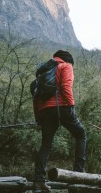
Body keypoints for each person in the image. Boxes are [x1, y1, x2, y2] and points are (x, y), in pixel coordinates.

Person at [33, 50, 87, 183]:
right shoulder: (65, 66)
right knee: (81, 135)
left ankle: (38, 178)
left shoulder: (43, 71)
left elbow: (35, 97)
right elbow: (66, 87)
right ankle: (78, 173)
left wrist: (38, 116)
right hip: (62, 107)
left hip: (44, 110)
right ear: (68, 60)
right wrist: (71, 106)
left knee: (46, 144)